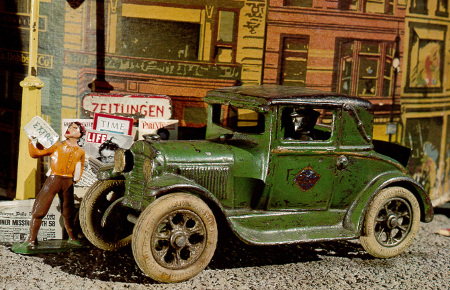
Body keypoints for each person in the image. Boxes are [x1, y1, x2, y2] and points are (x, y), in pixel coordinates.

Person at [12, 122, 86, 252]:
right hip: (54, 179)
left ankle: (73, 238)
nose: (69, 129)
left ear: (80, 134)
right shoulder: (57, 145)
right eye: (69, 127)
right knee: (40, 208)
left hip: (68, 182)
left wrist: (75, 180)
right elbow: (36, 153)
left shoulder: (80, 151)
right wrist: (32, 140)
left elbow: (81, 166)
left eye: (74, 128)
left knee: (68, 211)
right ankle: (31, 240)